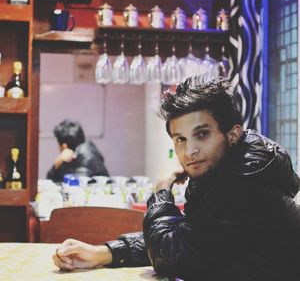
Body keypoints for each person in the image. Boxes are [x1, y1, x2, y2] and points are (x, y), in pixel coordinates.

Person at [53, 77, 300, 280]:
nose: (189, 151)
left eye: (202, 134)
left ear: (232, 134)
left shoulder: (243, 180)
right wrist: (105, 252)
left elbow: (172, 258)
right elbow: (190, 238)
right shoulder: (226, 169)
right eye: (180, 139)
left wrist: (162, 189)